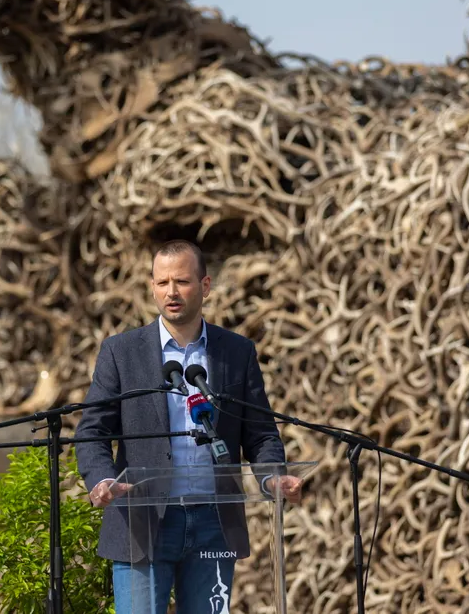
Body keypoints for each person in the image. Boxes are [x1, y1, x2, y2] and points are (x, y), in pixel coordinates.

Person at [75, 239, 304, 614]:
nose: (171, 292)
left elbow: (260, 433)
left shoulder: (236, 352)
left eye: (181, 281)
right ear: (152, 287)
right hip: (143, 521)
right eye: (162, 283)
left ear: (205, 286)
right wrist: (101, 480)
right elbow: (92, 431)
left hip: (213, 521)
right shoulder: (121, 352)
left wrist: (272, 478)